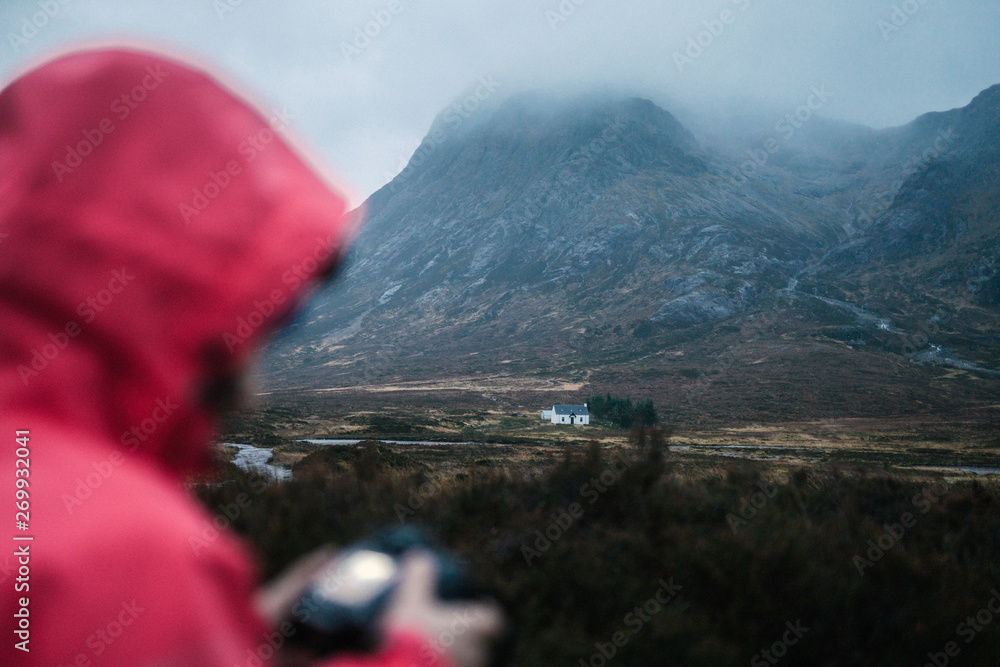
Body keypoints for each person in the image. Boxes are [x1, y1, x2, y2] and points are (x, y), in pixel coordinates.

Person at [0, 48, 502, 667]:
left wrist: (222, 642)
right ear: (169, 298)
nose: (252, 392)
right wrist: (412, 658)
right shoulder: (120, 556)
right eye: (264, 322)